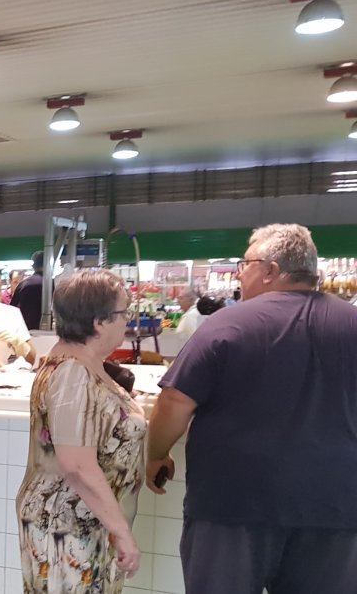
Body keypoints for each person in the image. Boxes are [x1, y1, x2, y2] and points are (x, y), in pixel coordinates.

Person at [146, 224, 357, 593]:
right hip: (335, 507)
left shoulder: (228, 324)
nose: (240, 273)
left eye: (246, 263)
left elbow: (175, 401)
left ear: (272, 270)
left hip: (233, 509)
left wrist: (156, 454)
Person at [16, 270, 145, 592]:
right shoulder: (72, 373)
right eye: (123, 313)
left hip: (85, 522)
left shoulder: (82, 364)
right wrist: (122, 532)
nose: (127, 321)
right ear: (98, 322)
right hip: (67, 527)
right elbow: (76, 465)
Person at [10, 250, 45, 330]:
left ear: (33, 266)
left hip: (25, 329)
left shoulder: (24, 284)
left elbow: (12, 307)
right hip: (46, 328)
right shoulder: (52, 284)